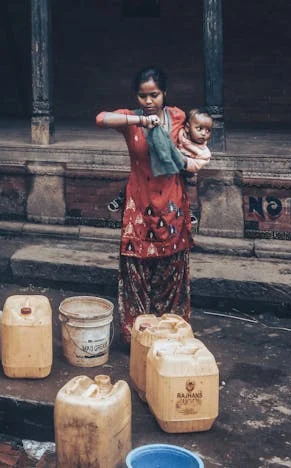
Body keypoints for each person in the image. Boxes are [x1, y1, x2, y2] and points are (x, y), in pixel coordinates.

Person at [96, 67, 193, 344]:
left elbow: (191, 145)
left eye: (154, 95)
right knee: (136, 271)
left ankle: (170, 334)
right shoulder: (132, 120)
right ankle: (138, 336)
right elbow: (100, 118)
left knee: (171, 269)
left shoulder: (177, 117)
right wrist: (138, 121)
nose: (149, 101)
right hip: (138, 205)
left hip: (172, 203)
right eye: (142, 96)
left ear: (165, 93)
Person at [107, 107, 214, 225]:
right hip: (164, 164)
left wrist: (181, 158)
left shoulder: (204, 152)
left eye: (208, 130)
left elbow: (195, 166)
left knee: (184, 189)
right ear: (188, 127)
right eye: (199, 129)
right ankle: (122, 197)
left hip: (183, 170)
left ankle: (188, 211)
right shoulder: (181, 132)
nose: (204, 134)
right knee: (140, 177)